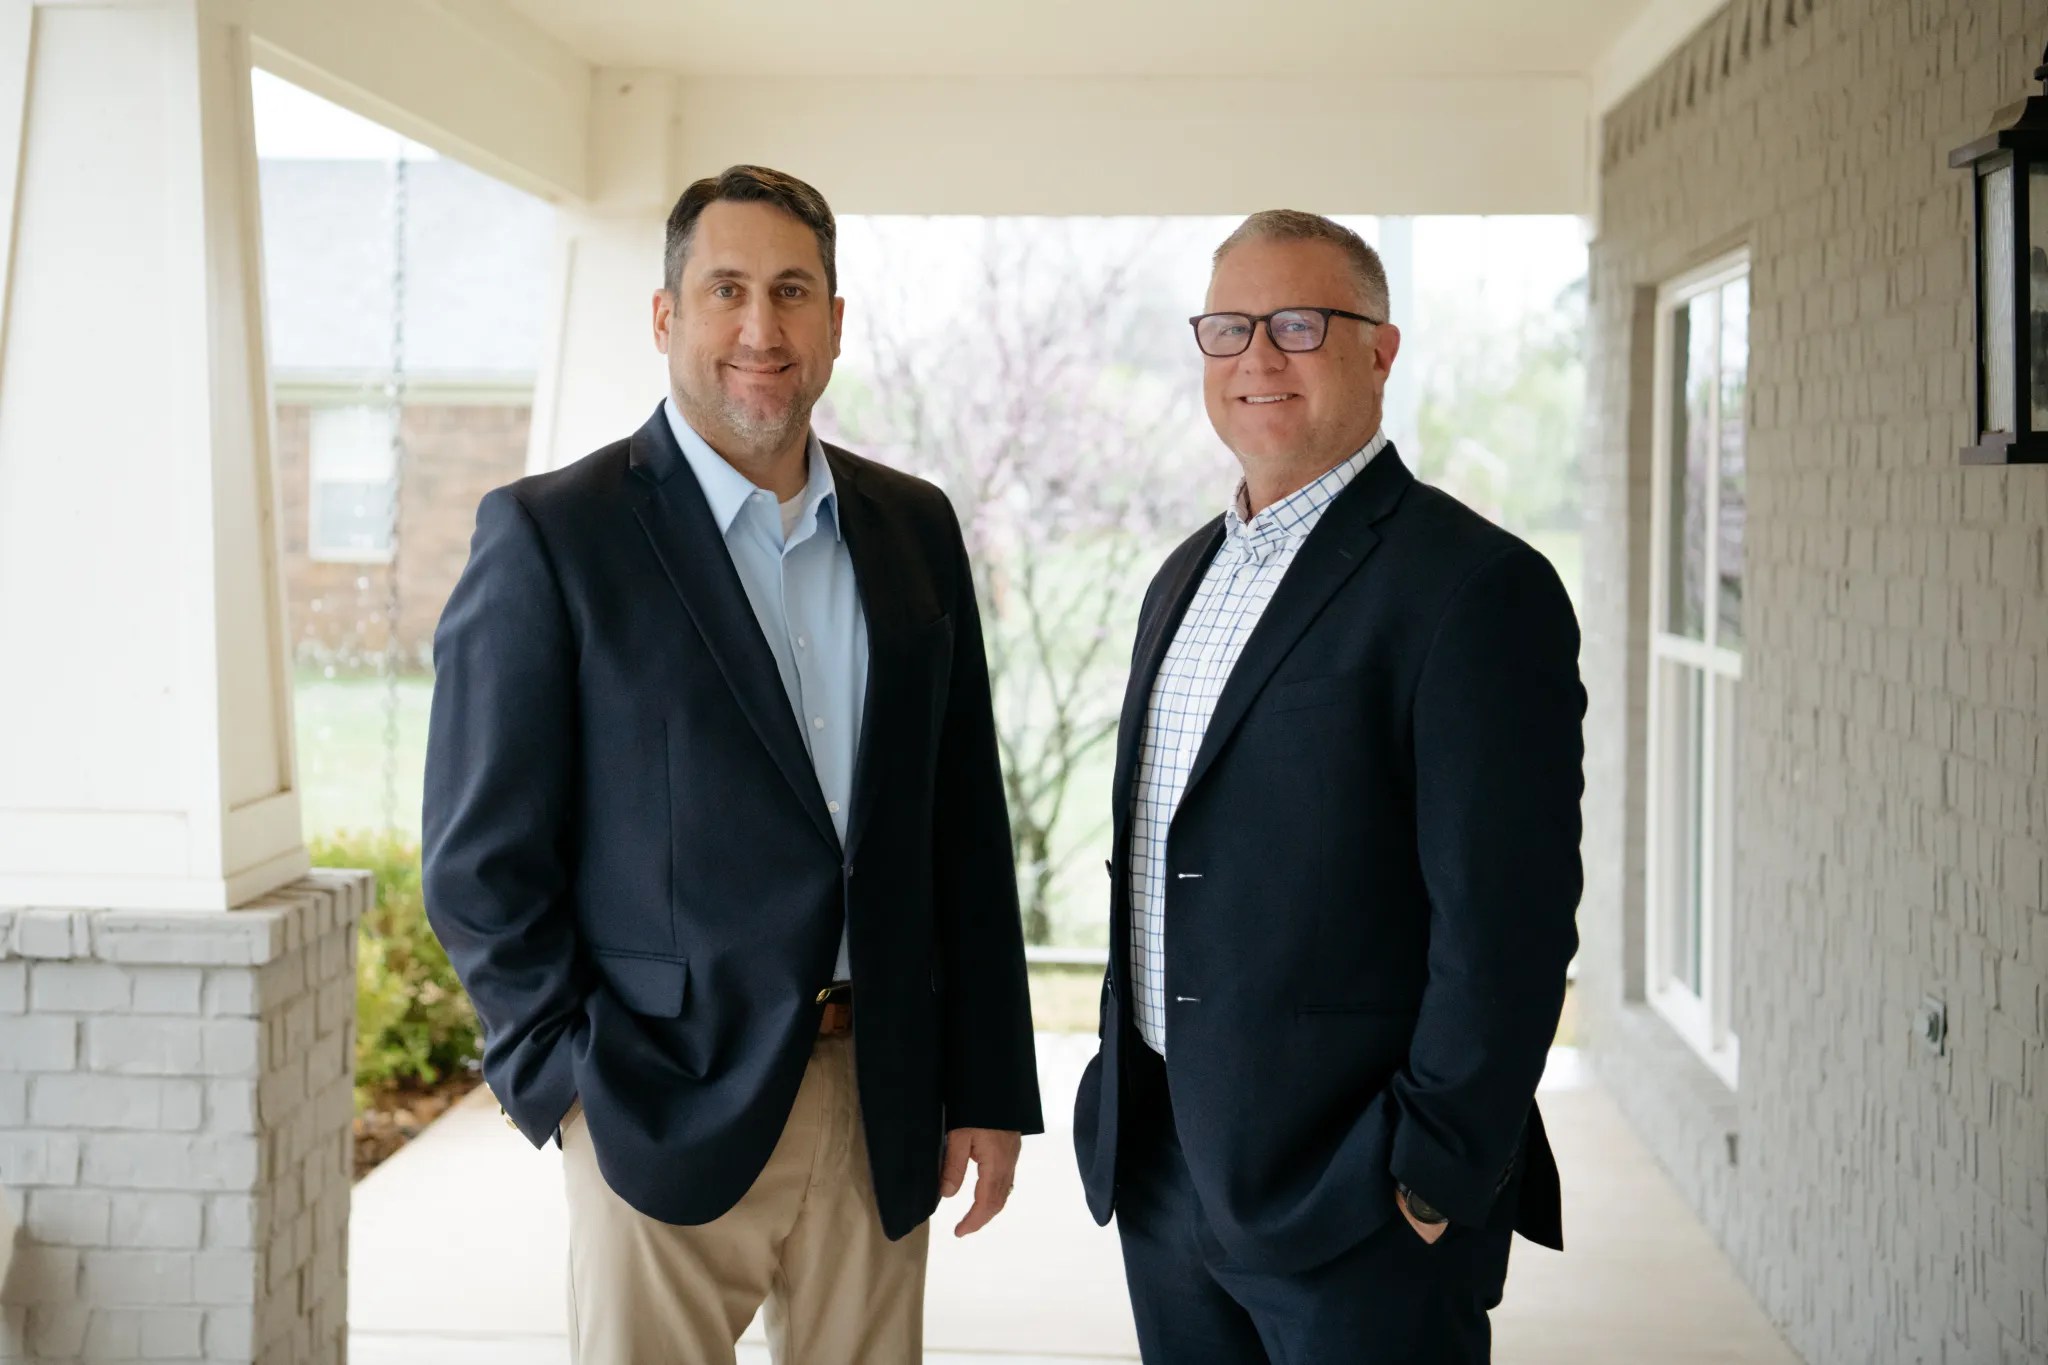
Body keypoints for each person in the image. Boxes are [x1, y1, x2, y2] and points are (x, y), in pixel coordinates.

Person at [424, 163, 1042, 1365]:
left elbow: (961, 824)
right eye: (726, 291)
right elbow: (479, 859)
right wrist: (564, 1082)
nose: (761, 328)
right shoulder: (555, 535)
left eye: (793, 292)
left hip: (881, 1098)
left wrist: (986, 1084)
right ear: (667, 317)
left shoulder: (913, 528)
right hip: (656, 1101)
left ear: (835, 324)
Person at [1073, 209, 1584, 1363]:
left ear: (1380, 350)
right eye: (1227, 327)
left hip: (1357, 1201)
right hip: (1163, 1166)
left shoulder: (1474, 590)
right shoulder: (1182, 577)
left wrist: (1427, 1170)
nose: (1257, 356)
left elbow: (1505, 926)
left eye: (1299, 324)